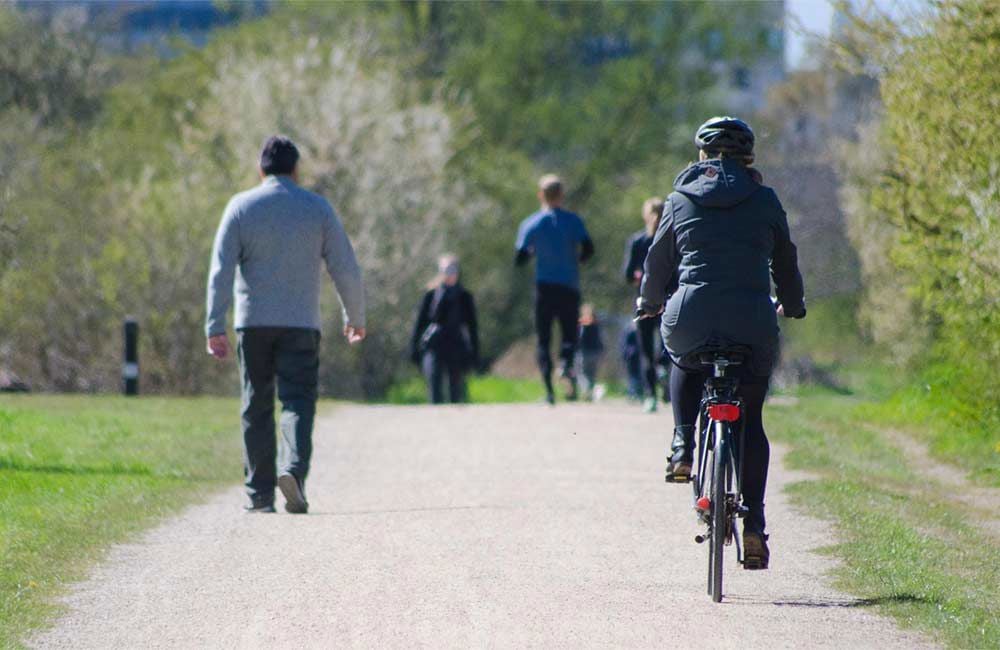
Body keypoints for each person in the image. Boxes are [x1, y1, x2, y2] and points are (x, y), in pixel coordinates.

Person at [638, 116, 806, 569]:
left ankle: (682, 445)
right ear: (749, 158)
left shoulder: (678, 199)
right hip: (752, 321)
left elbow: (657, 263)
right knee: (752, 422)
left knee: (683, 358)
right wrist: (792, 304)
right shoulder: (765, 199)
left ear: (701, 156)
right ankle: (753, 523)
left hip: (691, 316)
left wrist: (649, 303)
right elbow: (785, 262)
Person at [205, 135, 366, 515]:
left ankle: (260, 495)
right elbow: (345, 266)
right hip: (300, 324)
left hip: (253, 323)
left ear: (260, 170)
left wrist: (215, 325)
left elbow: (220, 270)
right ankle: (292, 471)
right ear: (296, 171)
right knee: (297, 400)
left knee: (256, 404)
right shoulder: (317, 209)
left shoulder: (241, 207)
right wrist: (355, 317)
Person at [515, 174, 595, 404]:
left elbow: (519, 258)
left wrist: (534, 252)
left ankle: (549, 392)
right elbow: (589, 248)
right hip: (569, 285)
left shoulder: (531, 224)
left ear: (540, 195)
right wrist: (576, 259)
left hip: (544, 288)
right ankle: (566, 363)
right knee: (570, 333)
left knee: (544, 338)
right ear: (561, 195)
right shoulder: (573, 221)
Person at [623, 197, 674, 413]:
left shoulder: (638, 242)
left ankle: (651, 395)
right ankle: (664, 369)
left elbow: (627, 274)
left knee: (646, 351)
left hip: (644, 301)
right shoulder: (673, 239)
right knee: (669, 343)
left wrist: (638, 276)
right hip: (670, 299)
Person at [410, 254, 479, 404]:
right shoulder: (430, 295)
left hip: (456, 345)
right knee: (434, 385)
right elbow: (420, 323)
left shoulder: (464, 296)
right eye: (446, 270)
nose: (449, 274)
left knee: (456, 390)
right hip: (434, 344)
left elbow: (472, 326)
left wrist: (474, 352)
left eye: (452, 269)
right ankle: (435, 420)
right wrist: (413, 348)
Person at [576, 303, 604, 401]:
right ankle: (590, 393)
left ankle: (587, 390)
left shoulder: (582, 324)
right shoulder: (596, 323)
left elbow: (579, 338)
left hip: (584, 352)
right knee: (592, 374)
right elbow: (600, 339)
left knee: (581, 373)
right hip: (595, 353)